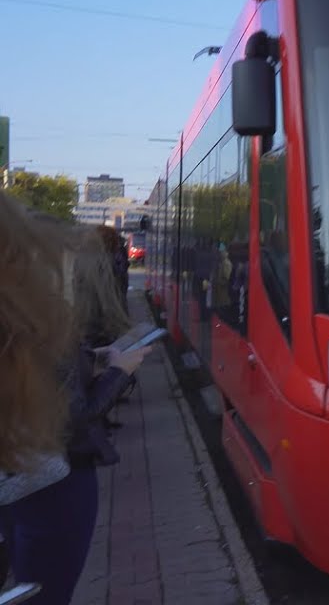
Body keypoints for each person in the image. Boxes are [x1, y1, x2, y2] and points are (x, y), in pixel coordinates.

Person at [0, 194, 153, 605]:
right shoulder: (31, 327)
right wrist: (121, 371)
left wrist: (88, 359)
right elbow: (72, 417)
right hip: (48, 482)